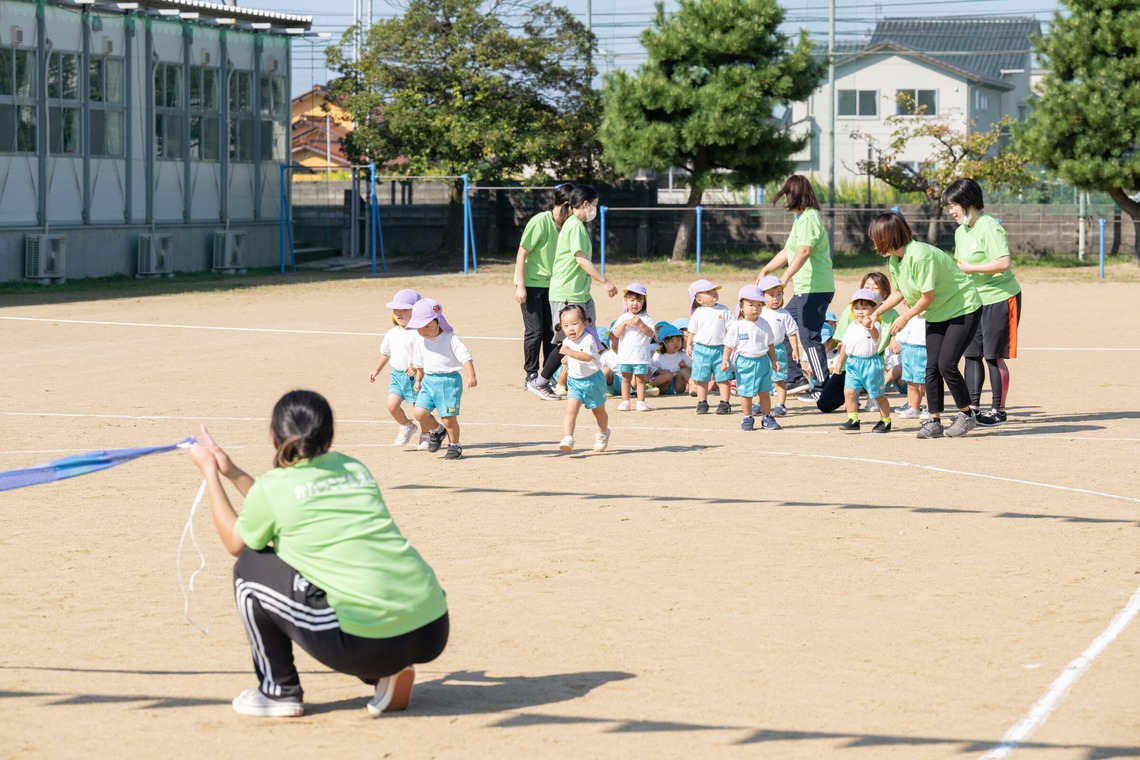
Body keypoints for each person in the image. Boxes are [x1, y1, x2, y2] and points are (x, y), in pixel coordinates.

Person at [187, 390, 449, 718]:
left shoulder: (275, 485)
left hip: (371, 640)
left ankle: (278, 690)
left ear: (273, 437)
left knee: (250, 568)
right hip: (432, 627)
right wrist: (232, 471)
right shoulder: (353, 468)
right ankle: (386, 672)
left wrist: (210, 474)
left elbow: (235, 542)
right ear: (331, 435)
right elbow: (283, 502)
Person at [868, 212, 982, 439]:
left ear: (889, 237)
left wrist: (904, 318)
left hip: (963, 307)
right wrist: (877, 312)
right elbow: (900, 291)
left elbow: (926, 296)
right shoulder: (895, 259)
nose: (874, 243)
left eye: (876, 238)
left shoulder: (920, 255)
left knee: (946, 364)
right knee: (931, 367)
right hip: (938, 312)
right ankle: (934, 420)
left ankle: (967, 415)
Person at [943, 178, 1023, 426]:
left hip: (1000, 298)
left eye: (953, 205)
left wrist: (971, 268)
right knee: (972, 354)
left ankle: (998, 411)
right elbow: (960, 267)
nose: (950, 211)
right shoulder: (961, 231)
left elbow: (1004, 262)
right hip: (974, 301)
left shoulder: (989, 227)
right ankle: (973, 408)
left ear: (968, 203)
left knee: (993, 355)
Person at [527, 185, 618, 400]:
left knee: (591, 335)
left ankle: (592, 380)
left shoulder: (575, 225)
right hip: (567, 293)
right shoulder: (574, 225)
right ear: (585, 205)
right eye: (594, 206)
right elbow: (581, 259)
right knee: (566, 341)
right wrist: (604, 281)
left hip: (581, 293)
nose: (595, 210)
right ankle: (540, 382)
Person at [757, 175, 836, 400]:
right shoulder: (800, 219)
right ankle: (794, 378)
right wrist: (765, 271)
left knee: (809, 336)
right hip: (804, 289)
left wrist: (785, 277)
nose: (785, 200)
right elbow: (788, 251)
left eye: (787, 195)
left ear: (796, 194)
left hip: (816, 288)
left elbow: (804, 251)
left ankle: (823, 387)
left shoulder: (810, 217)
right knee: (781, 325)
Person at [514, 184, 574, 389]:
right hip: (531, 285)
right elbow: (522, 253)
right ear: (566, 205)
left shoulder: (568, 226)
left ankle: (548, 375)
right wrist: (520, 285)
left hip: (554, 287)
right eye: (573, 207)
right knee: (535, 331)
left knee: (552, 331)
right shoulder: (540, 222)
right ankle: (531, 374)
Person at [409, 298, 477, 460]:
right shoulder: (420, 340)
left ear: (438, 321)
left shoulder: (450, 338)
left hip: (448, 382)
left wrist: (471, 375)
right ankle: (438, 431)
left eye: (427, 326)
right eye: (419, 327)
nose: (424, 331)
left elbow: (466, 357)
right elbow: (420, 364)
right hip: (428, 382)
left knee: (448, 419)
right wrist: (418, 380)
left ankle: (455, 445)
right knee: (419, 413)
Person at [368, 288, 423, 446]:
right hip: (398, 377)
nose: (399, 314)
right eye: (396, 310)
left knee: (420, 411)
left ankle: (426, 434)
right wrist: (376, 370)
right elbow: (385, 354)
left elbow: (425, 355)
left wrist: (415, 366)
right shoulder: (391, 333)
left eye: (405, 310)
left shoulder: (420, 333)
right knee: (391, 405)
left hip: (418, 377)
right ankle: (407, 426)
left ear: (416, 311)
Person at [835, 289, 893, 433]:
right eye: (856, 308)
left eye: (865, 308)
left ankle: (885, 420)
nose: (860, 312)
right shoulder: (851, 326)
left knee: (877, 395)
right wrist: (840, 362)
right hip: (853, 363)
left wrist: (869, 326)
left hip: (870, 364)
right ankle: (853, 419)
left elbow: (875, 336)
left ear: (874, 309)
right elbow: (845, 345)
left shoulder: (875, 325)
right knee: (848, 391)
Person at [555, 304, 611, 453]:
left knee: (599, 412)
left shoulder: (588, 339)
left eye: (574, 324)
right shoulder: (567, 342)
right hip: (574, 382)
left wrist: (569, 352)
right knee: (570, 411)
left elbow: (586, 357)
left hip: (593, 381)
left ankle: (602, 432)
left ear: (585, 323)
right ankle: (568, 438)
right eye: (566, 325)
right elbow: (572, 356)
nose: (570, 329)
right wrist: (567, 361)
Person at [723, 285, 780, 431]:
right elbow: (729, 345)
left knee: (765, 392)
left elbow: (770, 344)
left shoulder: (764, 324)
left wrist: (773, 360)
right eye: (751, 304)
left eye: (759, 305)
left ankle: (767, 417)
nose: (755, 308)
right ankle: (747, 417)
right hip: (745, 363)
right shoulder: (737, 326)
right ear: (741, 307)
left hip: (763, 362)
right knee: (746, 393)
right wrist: (725, 360)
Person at [686, 279, 734, 414]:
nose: (713, 292)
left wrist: (732, 341)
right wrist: (689, 344)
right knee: (701, 378)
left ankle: (724, 402)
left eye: (714, 290)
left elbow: (731, 327)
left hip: (720, 349)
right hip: (701, 349)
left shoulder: (724, 310)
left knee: (723, 378)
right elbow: (692, 330)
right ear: (699, 300)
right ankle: (702, 402)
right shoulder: (698, 312)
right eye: (708, 291)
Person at [756, 275, 801, 417]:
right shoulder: (759, 312)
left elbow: (792, 332)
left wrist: (794, 349)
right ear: (762, 296)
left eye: (779, 294)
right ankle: (760, 403)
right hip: (761, 351)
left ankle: (780, 405)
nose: (776, 298)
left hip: (778, 350)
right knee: (762, 379)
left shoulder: (784, 314)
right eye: (771, 295)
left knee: (779, 378)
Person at [611, 282, 655, 411]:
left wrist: (641, 324)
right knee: (626, 379)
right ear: (625, 300)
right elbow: (616, 334)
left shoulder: (646, 318)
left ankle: (641, 402)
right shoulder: (622, 318)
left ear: (643, 302)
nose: (635, 303)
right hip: (625, 356)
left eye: (639, 300)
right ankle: (625, 401)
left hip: (640, 356)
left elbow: (650, 333)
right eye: (631, 300)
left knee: (640, 379)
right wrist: (624, 324)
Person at [891, 305, 929, 419]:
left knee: (925, 382)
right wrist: (895, 342)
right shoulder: (908, 319)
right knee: (911, 382)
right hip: (909, 351)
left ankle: (929, 408)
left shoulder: (932, 319)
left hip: (924, 351)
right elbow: (900, 336)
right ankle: (913, 407)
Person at [649, 323, 691, 396]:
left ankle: (693, 385)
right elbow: (651, 368)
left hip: (678, 386)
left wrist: (685, 367)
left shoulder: (683, 354)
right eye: (672, 341)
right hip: (663, 386)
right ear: (664, 343)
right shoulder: (658, 355)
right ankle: (649, 386)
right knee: (668, 375)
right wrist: (660, 371)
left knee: (684, 370)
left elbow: (692, 368)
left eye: (679, 340)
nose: (676, 343)